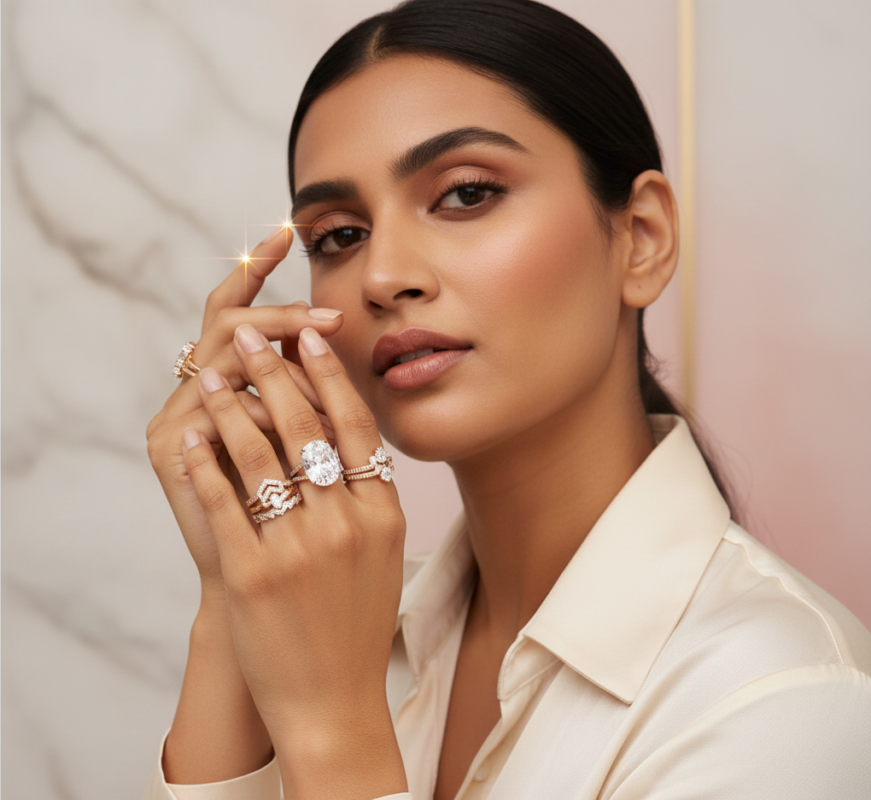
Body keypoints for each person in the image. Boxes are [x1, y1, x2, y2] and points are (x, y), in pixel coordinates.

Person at [143, 1, 871, 798]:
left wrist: (331, 729)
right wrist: (233, 586)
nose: (384, 275)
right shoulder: (335, 625)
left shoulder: (783, 697)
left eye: (464, 194)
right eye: (340, 237)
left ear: (640, 240)